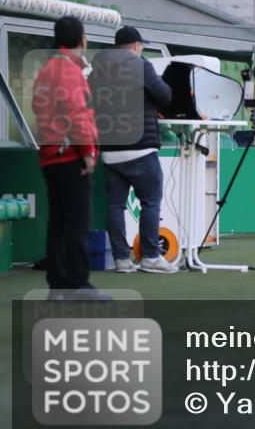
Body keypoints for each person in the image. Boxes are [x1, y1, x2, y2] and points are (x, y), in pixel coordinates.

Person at [89, 26, 178, 273]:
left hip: (110, 147)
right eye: (141, 46)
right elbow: (165, 95)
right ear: (136, 45)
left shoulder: (98, 69)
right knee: (151, 201)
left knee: (115, 205)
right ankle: (150, 255)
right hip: (139, 146)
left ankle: (121, 259)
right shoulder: (141, 65)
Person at [31, 16, 100, 295]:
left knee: (58, 223)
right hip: (69, 154)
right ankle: (78, 284)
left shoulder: (46, 69)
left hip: (50, 154)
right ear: (82, 40)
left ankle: (57, 285)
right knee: (77, 222)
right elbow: (77, 114)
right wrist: (87, 152)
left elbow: (40, 108)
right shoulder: (69, 71)